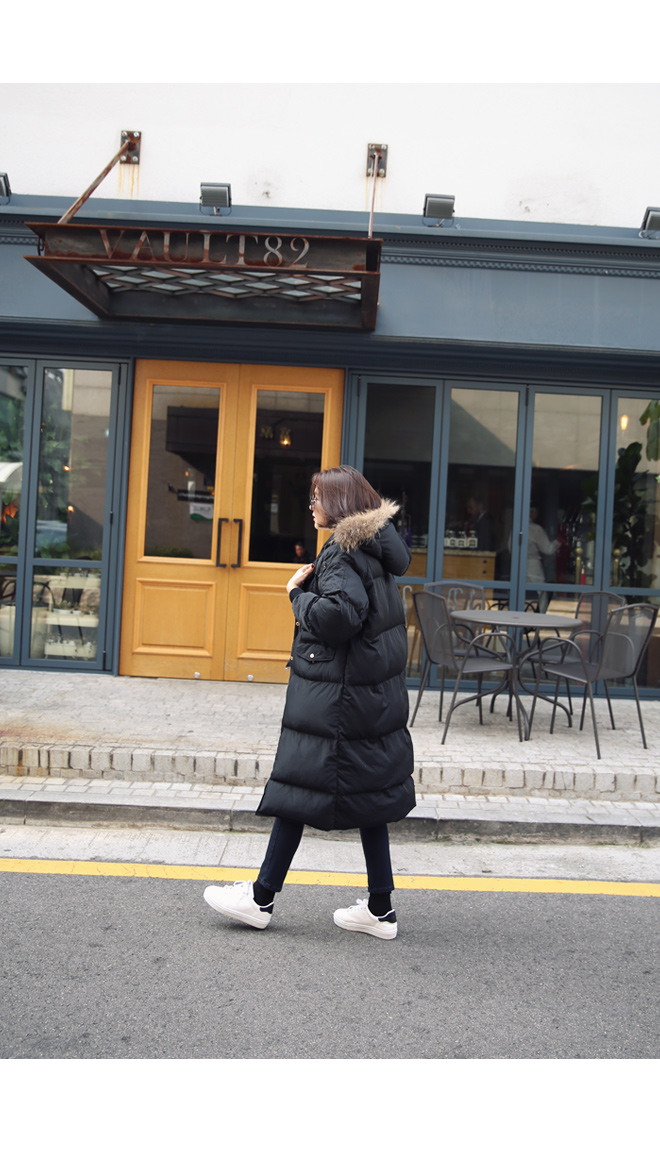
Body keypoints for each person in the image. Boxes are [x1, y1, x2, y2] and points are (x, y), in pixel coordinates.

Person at [204, 465, 416, 940]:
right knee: (368, 799)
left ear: (339, 503)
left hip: (337, 698)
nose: (311, 506)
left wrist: (296, 595)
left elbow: (340, 617)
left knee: (298, 789)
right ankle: (380, 909)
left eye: (317, 497)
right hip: (369, 697)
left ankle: (260, 898)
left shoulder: (342, 551)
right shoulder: (376, 549)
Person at [526, 503, 559, 612]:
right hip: (533, 566)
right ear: (533, 512)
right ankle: (539, 618)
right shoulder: (536, 529)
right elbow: (548, 549)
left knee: (523, 594)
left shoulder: (516, 527)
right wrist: (558, 542)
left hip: (518, 565)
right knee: (541, 594)